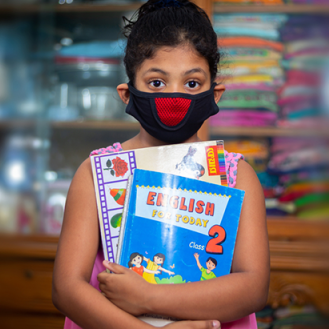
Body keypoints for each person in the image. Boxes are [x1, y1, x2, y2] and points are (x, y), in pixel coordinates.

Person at [52, 0, 269, 328]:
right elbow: (67, 288)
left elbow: (253, 288)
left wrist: (147, 298)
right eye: (156, 83)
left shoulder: (237, 177)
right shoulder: (96, 175)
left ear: (216, 94)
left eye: (192, 83)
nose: (174, 97)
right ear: (127, 94)